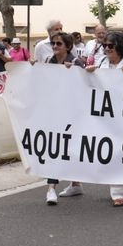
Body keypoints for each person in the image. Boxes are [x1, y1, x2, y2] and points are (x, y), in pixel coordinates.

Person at [85, 31, 123, 206]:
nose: (107, 49)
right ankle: (122, 187)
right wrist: (89, 73)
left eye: (111, 45)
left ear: (120, 46)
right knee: (111, 150)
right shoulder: (101, 63)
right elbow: (91, 86)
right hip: (107, 116)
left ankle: (121, 189)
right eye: (104, 46)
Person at [43, 31, 85, 204]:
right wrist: (32, 68)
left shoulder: (76, 62)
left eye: (59, 43)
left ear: (67, 46)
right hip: (54, 113)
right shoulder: (48, 61)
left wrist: (73, 72)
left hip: (73, 113)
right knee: (54, 148)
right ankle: (51, 188)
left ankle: (75, 183)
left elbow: (86, 84)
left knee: (71, 148)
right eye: (53, 43)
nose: (55, 46)